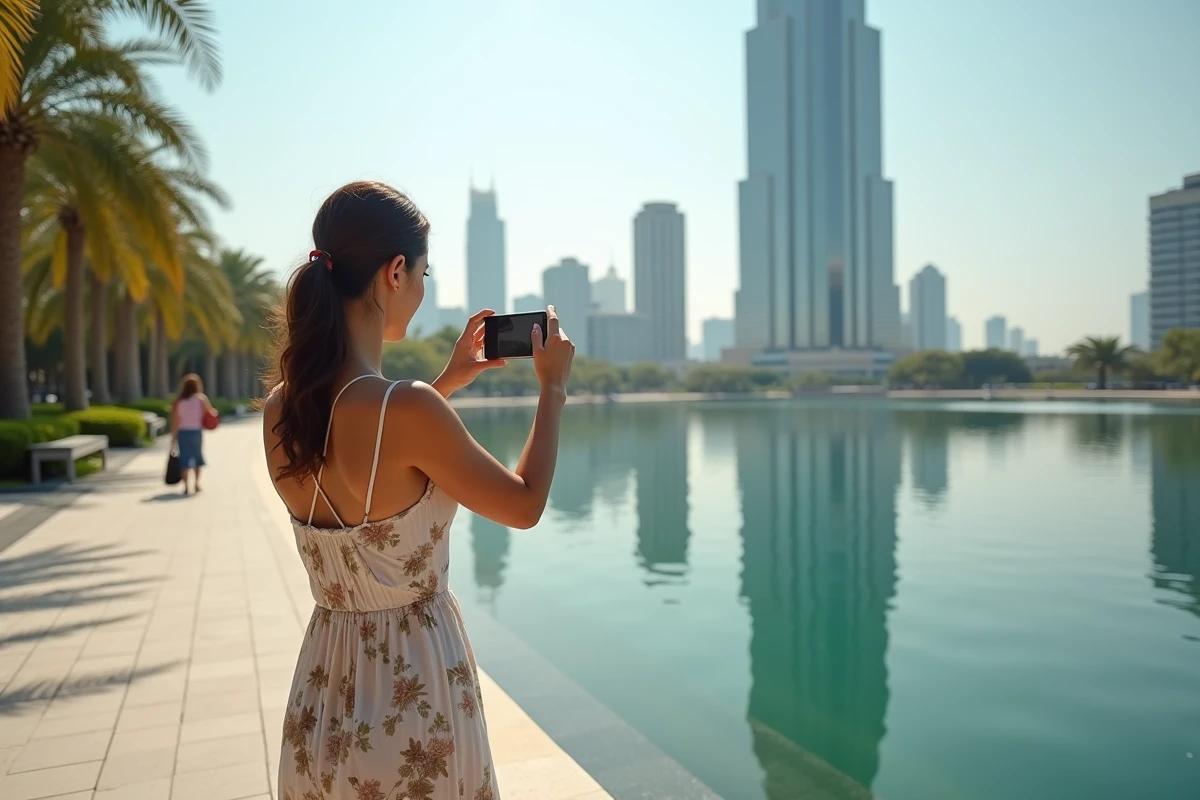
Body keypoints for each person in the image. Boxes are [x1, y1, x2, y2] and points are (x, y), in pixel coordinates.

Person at [262, 181, 574, 800]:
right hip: (413, 704)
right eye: (424, 272)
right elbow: (525, 503)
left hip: (322, 701)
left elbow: (372, 458)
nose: (424, 288)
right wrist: (553, 389)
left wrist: (446, 382)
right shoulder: (408, 409)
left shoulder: (279, 411)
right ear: (395, 271)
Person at [171, 373, 216, 495]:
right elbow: (212, 412)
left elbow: (175, 421)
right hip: (196, 432)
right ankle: (196, 484)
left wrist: (173, 437)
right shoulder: (201, 399)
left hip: (183, 432)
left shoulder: (179, 401)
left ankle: (186, 486)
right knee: (197, 458)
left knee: (184, 459)